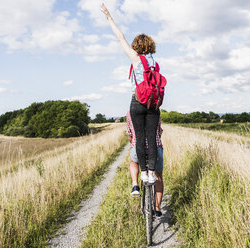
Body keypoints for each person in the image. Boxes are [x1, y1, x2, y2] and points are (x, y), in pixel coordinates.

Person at [101, 4, 160, 184]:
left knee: (140, 138)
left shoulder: (136, 58)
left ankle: (143, 172)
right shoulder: (155, 63)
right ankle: (151, 173)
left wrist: (109, 17)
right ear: (150, 45)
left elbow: (120, 38)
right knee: (152, 138)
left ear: (136, 46)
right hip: (154, 104)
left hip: (138, 103)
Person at [126, 111, 164, 217]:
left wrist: (133, 142)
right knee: (158, 175)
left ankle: (135, 185)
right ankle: (157, 209)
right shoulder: (155, 110)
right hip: (155, 148)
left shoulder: (130, 112)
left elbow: (129, 134)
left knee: (134, 162)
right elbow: (159, 131)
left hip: (138, 147)